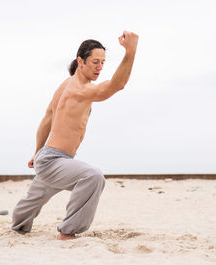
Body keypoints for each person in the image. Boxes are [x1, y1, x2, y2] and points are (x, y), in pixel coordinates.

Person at [11, 31, 139, 240]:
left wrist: (37, 153)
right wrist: (131, 52)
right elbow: (117, 85)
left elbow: (47, 119)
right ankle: (68, 232)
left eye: (103, 63)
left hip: (52, 159)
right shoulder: (79, 89)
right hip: (53, 160)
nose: (100, 67)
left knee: (33, 200)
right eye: (95, 62)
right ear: (81, 61)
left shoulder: (66, 84)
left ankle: (18, 226)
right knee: (92, 177)